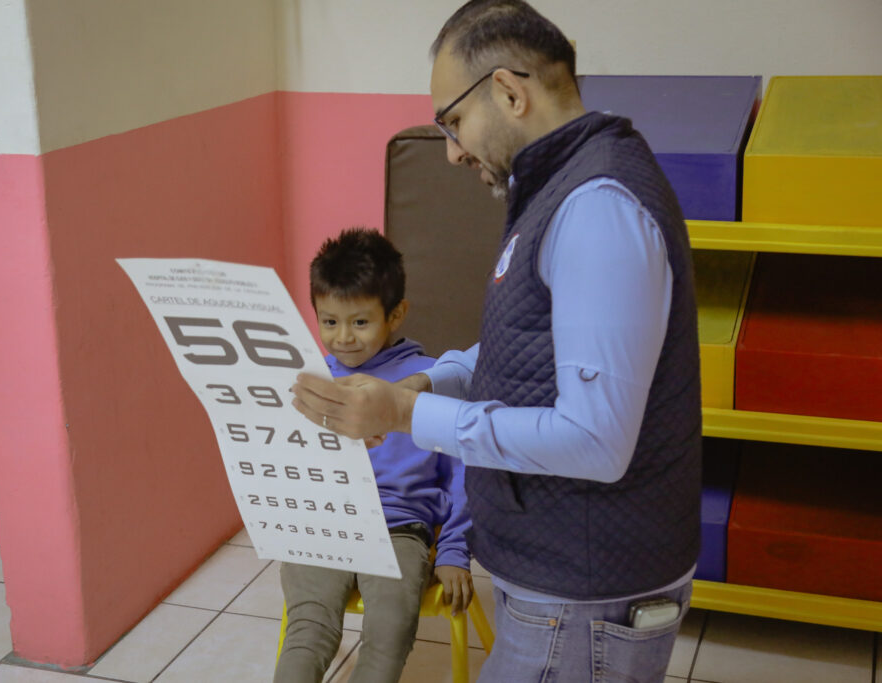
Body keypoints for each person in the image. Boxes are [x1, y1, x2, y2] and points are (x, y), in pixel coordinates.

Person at [291, 2, 702, 681]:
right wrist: (429, 379)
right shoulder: (557, 188)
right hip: (556, 575)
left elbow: (596, 439)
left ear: (510, 92)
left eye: (452, 122)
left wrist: (405, 415)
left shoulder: (597, 207)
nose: (451, 150)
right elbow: (537, 346)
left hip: (583, 589)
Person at [275, 227, 474, 683]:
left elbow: (462, 472)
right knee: (308, 629)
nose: (343, 338)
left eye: (360, 322)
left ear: (396, 314)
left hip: (401, 529)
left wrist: (454, 550)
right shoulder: (308, 381)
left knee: (390, 628)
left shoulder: (430, 378)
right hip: (323, 520)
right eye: (329, 321)